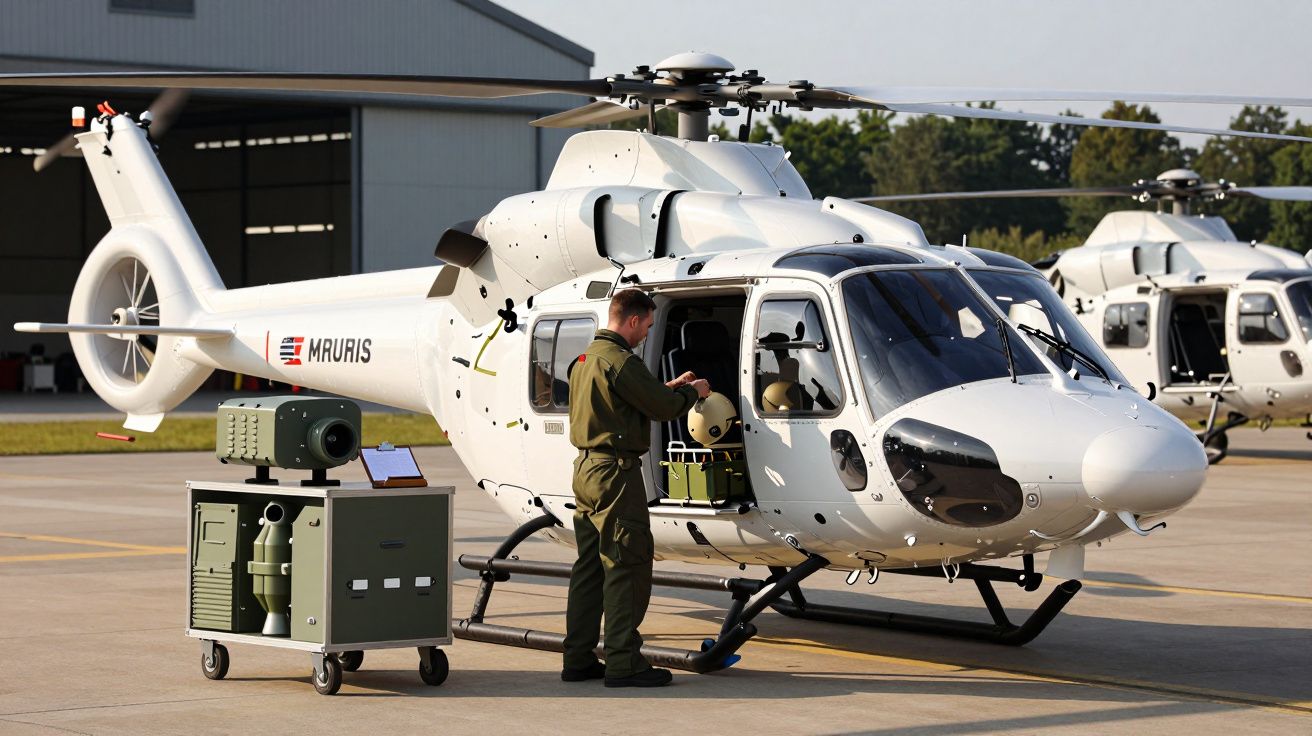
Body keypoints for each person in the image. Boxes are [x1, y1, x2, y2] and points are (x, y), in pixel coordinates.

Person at [561, 289, 710, 688]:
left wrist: (668, 386)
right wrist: (692, 393)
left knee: (590, 568)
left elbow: (626, 402)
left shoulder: (586, 360)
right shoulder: (621, 361)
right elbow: (663, 408)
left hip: (586, 470)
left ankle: (578, 658)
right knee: (626, 564)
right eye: (646, 325)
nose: (646, 333)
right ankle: (624, 662)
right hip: (615, 474)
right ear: (632, 320)